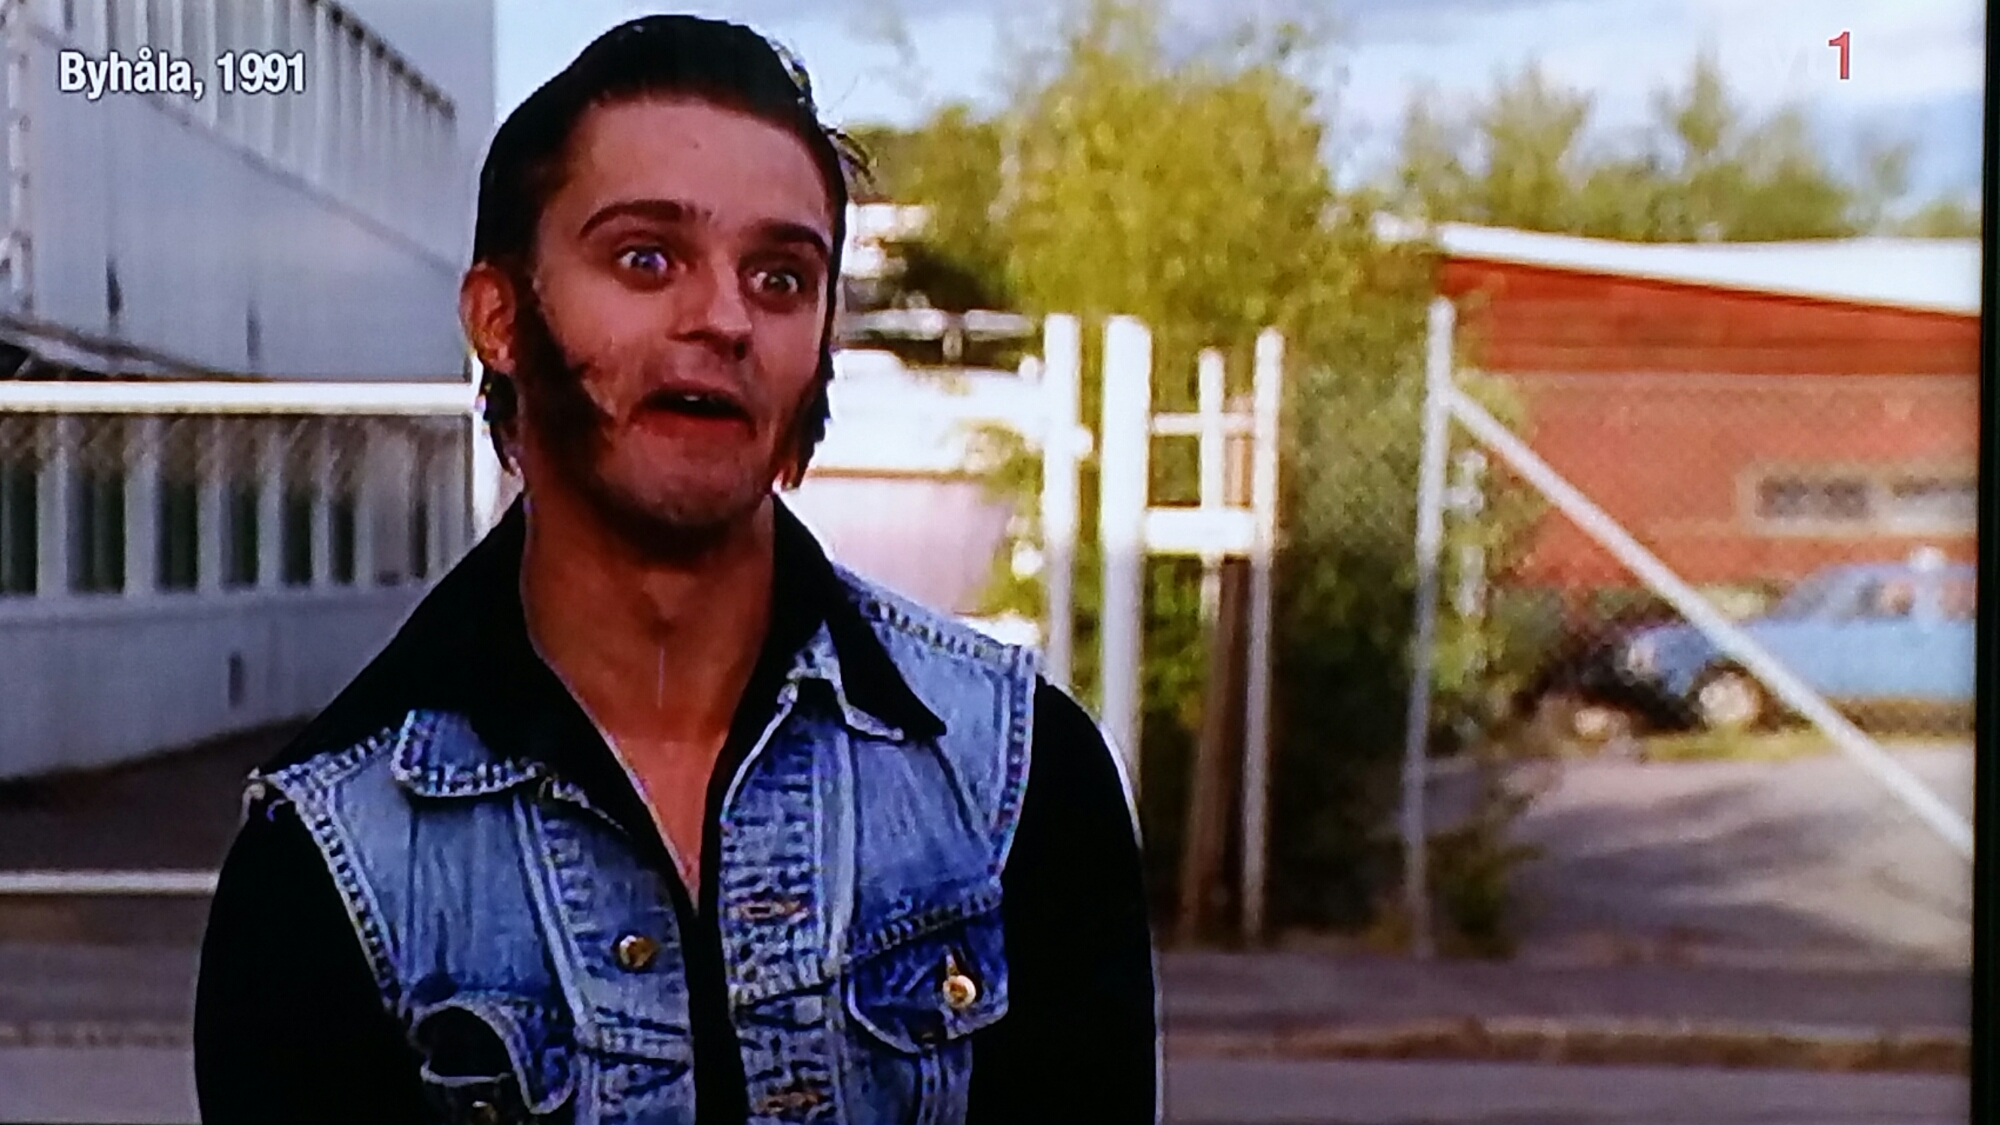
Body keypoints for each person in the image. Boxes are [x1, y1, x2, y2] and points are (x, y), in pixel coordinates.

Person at [192, 16, 1157, 1124]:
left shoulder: (1013, 783)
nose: (723, 319)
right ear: (499, 317)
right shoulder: (329, 859)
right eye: (645, 258)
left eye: (780, 277)